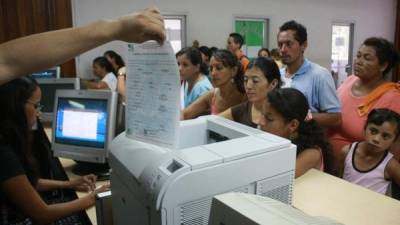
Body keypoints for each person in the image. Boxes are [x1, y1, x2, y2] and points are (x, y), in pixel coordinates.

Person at [0, 7, 165, 224]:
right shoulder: (3, 152)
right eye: (36, 106)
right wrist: (93, 197)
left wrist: (68, 185)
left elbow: (29, 183)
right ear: (15, 107)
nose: (39, 113)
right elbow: (41, 214)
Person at [328, 37, 400, 161]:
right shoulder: (350, 80)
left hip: (358, 170)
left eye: (367, 58)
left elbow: (393, 149)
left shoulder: (392, 97)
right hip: (328, 158)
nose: (358, 61)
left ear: (383, 66)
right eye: (358, 56)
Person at [277, 20, 341, 128]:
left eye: (289, 44)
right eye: (280, 44)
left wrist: (303, 116)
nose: (283, 49)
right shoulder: (278, 75)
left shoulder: (320, 75)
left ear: (303, 45)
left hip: (306, 139)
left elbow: (335, 118)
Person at [259, 88, 334, 178]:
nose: (261, 122)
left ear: (293, 125)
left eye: (269, 119)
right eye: (262, 114)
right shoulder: (275, 139)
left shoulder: (311, 153)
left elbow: (277, 180)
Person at [337, 109, 400, 195]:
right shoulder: (346, 152)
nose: (376, 139)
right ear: (365, 128)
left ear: (394, 140)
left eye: (385, 136)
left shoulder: (390, 165)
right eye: (373, 131)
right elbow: (337, 180)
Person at [182, 49, 247, 119]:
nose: (213, 73)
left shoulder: (245, 96)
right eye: (211, 68)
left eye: (219, 68)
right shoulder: (212, 95)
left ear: (233, 71)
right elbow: (185, 114)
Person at [219, 57, 281, 128]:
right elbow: (211, 121)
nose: (248, 86)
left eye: (255, 81)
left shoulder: (283, 112)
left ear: (273, 84)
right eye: (245, 80)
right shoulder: (241, 110)